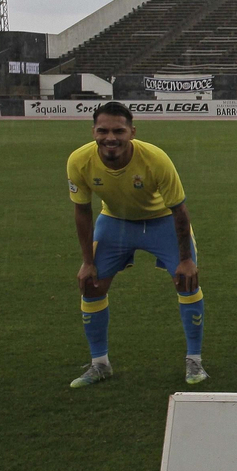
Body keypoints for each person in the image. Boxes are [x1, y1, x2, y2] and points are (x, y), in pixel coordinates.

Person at [65, 101, 206, 388]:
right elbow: (82, 211)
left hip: (161, 221)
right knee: (91, 285)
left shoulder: (155, 159)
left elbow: (179, 209)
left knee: (186, 280)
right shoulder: (79, 161)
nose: (110, 138)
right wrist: (87, 262)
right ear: (93, 131)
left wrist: (186, 259)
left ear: (132, 132)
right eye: (103, 131)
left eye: (119, 130)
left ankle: (194, 360)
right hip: (115, 222)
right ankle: (99, 364)